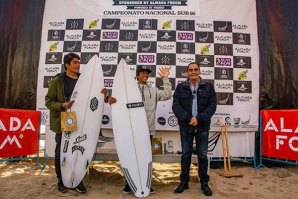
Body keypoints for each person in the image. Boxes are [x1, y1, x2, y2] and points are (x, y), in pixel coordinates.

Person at [45, 53, 116, 193]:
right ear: (67, 65)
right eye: (75, 62)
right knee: (62, 150)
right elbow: (48, 101)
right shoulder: (58, 80)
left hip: (82, 120)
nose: (78, 65)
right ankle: (61, 180)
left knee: (80, 148)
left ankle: (77, 179)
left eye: (78, 62)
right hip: (65, 118)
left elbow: (96, 97)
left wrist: (105, 94)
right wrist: (62, 105)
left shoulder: (84, 80)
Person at [122, 65, 172, 194]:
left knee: (145, 159)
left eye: (147, 73)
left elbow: (167, 95)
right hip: (132, 130)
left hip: (147, 131)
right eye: (142, 72)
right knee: (132, 157)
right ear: (137, 75)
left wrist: (165, 79)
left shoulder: (153, 90)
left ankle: (146, 183)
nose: (145, 75)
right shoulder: (130, 90)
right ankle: (129, 183)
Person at [172, 62, 216, 196]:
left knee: (202, 155)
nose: (193, 72)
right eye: (190, 70)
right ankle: (184, 182)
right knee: (186, 154)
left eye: (195, 69)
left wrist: (199, 119)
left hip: (202, 126)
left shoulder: (208, 87)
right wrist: (188, 118)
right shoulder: (180, 87)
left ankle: (204, 183)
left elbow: (212, 106)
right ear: (187, 72)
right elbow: (176, 106)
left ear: (199, 71)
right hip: (186, 126)